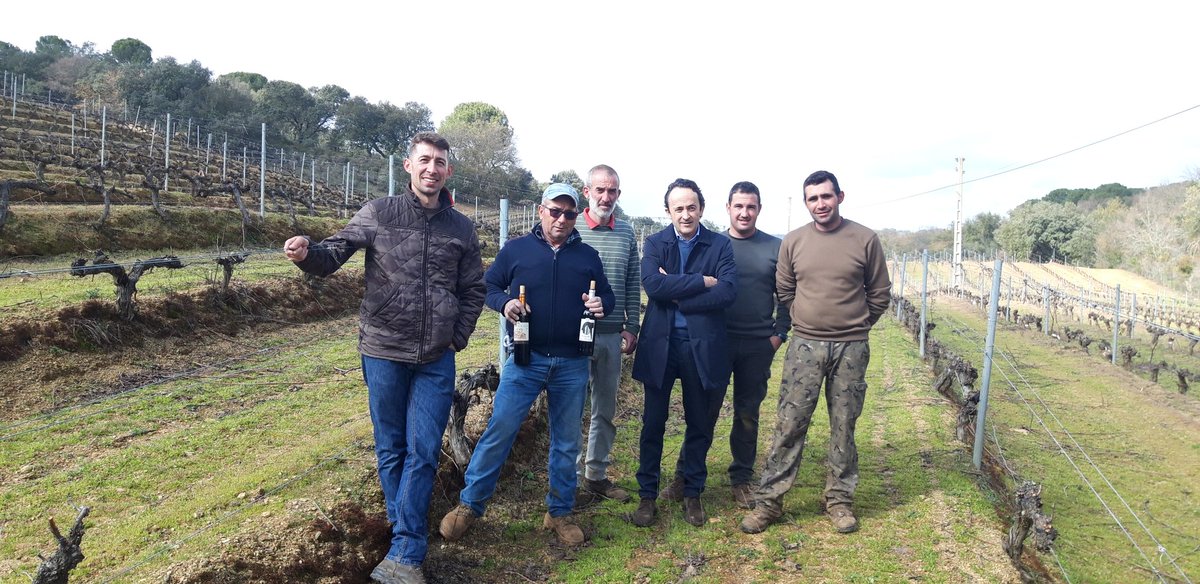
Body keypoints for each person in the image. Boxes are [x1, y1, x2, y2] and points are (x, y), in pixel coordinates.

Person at [283, 132, 485, 584]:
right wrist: (305, 254)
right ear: (409, 166)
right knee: (390, 447)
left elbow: (474, 288)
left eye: (440, 162)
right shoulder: (379, 212)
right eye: (425, 161)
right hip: (382, 350)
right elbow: (333, 252)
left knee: (424, 449)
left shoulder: (461, 228)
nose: (432, 168)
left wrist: (458, 335)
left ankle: (406, 551)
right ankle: (405, 538)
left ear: (448, 172)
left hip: (436, 356)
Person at [439, 183, 615, 547]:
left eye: (569, 213)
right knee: (499, 431)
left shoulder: (587, 256)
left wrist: (603, 306)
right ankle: (470, 505)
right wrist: (504, 303)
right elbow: (487, 286)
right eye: (555, 211)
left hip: (571, 362)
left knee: (566, 441)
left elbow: (608, 296)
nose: (562, 219)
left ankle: (559, 511)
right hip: (525, 360)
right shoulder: (516, 250)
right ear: (541, 210)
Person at [740, 170, 891, 536]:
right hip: (805, 345)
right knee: (790, 423)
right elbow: (786, 290)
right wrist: (808, 323)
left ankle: (839, 501)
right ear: (806, 202)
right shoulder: (793, 241)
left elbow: (879, 292)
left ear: (840, 196)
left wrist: (854, 324)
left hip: (851, 347)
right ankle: (769, 502)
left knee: (844, 424)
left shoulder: (865, 240)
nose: (820, 204)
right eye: (813, 198)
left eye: (826, 196)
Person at [658, 181, 789, 509]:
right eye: (738, 206)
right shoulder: (710, 245)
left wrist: (779, 333)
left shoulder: (775, 248)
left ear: (759, 209)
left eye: (751, 206)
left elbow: (787, 294)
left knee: (748, 412)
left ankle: (741, 478)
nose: (744, 212)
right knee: (703, 411)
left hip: (758, 343)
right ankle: (684, 476)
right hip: (713, 340)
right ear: (727, 209)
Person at [629, 178, 737, 528]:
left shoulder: (719, 245)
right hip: (660, 346)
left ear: (701, 209)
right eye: (679, 208)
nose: (686, 214)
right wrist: (702, 281)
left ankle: (693, 492)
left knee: (699, 423)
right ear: (668, 212)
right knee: (653, 424)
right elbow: (653, 285)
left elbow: (728, 292)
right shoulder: (655, 242)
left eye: (692, 207)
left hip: (701, 348)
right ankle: (647, 496)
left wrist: (677, 293)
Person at [575, 164, 641, 505]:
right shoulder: (573, 228)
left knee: (605, 410)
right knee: (571, 408)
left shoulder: (627, 233)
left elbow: (632, 282)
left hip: (612, 335)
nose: (606, 197)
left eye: (612, 191)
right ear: (587, 191)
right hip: (575, 336)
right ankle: (569, 480)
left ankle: (595, 475)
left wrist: (632, 327)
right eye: (600, 190)